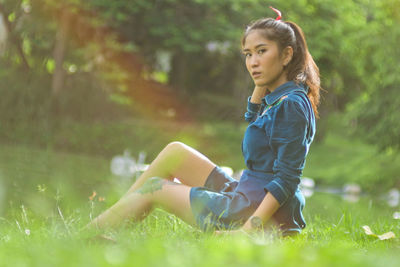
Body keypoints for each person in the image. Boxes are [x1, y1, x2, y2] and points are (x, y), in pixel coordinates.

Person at [87, 7, 320, 236]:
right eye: (248, 54)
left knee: (155, 187)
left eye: (261, 51)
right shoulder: (281, 98)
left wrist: (247, 231)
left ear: (287, 55)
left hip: (256, 215)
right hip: (248, 193)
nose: (253, 62)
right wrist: (262, 82)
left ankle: (91, 234)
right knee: (174, 151)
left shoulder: (291, 105)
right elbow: (254, 120)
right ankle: (107, 224)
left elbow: (288, 179)